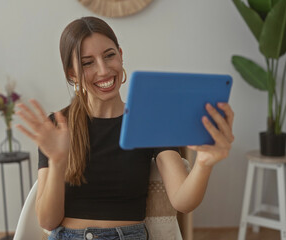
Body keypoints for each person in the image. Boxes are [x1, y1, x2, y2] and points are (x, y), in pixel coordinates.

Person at [16, 16, 234, 240]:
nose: (103, 70)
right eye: (87, 63)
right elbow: (47, 221)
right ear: (72, 74)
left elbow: (182, 201)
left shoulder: (149, 121)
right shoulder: (57, 126)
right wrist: (58, 162)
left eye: (109, 55)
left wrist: (205, 163)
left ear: (120, 55)